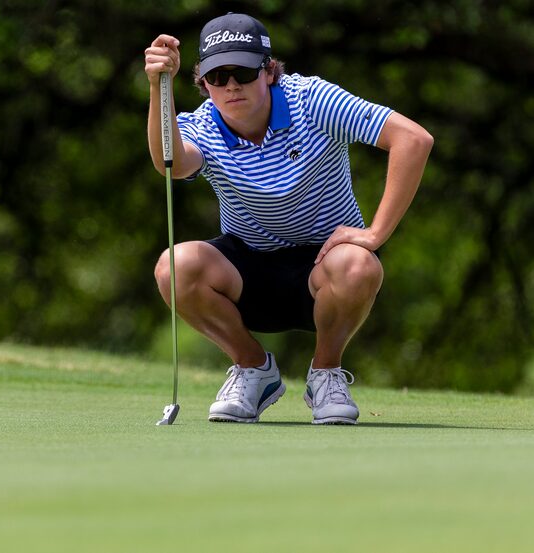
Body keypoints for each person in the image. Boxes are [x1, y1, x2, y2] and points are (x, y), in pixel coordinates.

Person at [144, 13, 433, 424]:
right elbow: (170, 164)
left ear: (268, 70)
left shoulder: (312, 100)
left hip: (324, 268)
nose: (231, 86)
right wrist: (159, 86)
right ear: (204, 83)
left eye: (242, 72)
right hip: (247, 270)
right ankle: (253, 368)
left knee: (358, 264)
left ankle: (326, 374)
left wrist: (376, 233)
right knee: (174, 266)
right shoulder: (203, 124)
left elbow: (413, 138)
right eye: (217, 76)